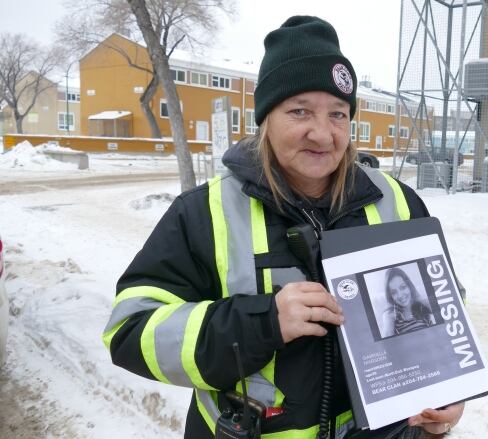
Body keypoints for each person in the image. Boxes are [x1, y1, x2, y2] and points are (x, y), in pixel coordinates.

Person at [102, 15, 464, 439]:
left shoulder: (398, 201)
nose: (323, 134)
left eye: (338, 114)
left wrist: (446, 393)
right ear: (266, 118)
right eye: (300, 111)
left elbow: (445, 310)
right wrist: (263, 322)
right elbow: (130, 333)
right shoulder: (204, 212)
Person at [382, 267, 435, 336]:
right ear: (390, 296)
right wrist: (387, 318)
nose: (400, 295)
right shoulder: (390, 316)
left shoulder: (422, 306)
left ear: (409, 286)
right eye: (394, 292)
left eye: (403, 287)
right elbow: (386, 342)